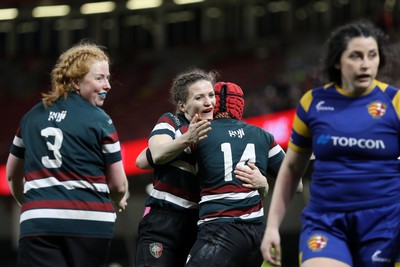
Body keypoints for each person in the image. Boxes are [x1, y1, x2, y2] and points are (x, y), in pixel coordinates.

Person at [261, 20, 400, 267]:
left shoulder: (395, 102)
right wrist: (272, 227)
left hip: (385, 223)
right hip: (326, 223)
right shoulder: (313, 102)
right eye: (355, 56)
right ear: (337, 61)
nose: (366, 64)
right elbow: (292, 169)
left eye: (372, 55)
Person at [6, 41, 129, 267]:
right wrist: (119, 199)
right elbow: (119, 185)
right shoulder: (101, 119)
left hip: (39, 222)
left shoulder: (30, 117)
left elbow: (12, 175)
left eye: (108, 78)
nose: (108, 85)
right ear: (75, 82)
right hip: (91, 222)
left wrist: (34, 205)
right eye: (100, 78)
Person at [184, 81, 290, 267]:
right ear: (241, 104)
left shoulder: (198, 133)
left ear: (214, 102)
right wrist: (264, 183)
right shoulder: (263, 135)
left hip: (219, 229)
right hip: (257, 233)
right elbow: (295, 185)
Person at [135, 67, 216, 267]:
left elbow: (142, 160)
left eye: (211, 95)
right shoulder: (171, 122)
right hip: (164, 221)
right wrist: (188, 138)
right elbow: (156, 154)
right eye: (199, 97)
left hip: (200, 225)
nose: (208, 102)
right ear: (182, 105)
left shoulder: (220, 131)